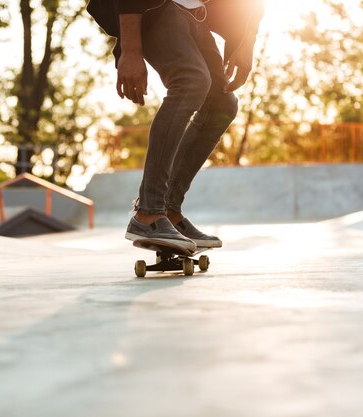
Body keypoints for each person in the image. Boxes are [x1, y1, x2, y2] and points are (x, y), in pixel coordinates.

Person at [87, 0, 264, 252]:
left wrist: (247, 42)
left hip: (197, 15)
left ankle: (169, 211)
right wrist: (131, 48)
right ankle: (148, 214)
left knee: (221, 105)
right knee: (191, 81)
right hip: (158, 9)